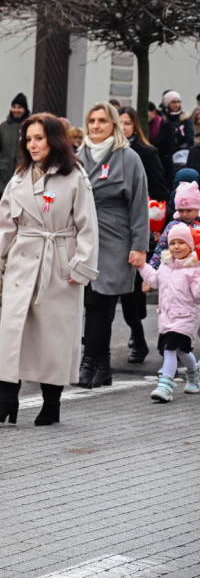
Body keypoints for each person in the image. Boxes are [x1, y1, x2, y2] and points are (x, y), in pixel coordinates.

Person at [0, 113, 98, 426]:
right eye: (28, 139)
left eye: (39, 138)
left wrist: (81, 266)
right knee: (12, 334)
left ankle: (51, 404)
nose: (32, 145)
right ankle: (8, 402)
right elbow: (5, 227)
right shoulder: (19, 177)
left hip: (59, 264)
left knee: (54, 337)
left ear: (53, 140)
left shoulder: (74, 176)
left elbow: (87, 226)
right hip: (22, 261)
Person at [75, 103, 148, 389]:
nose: (95, 126)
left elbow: (139, 204)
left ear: (114, 124)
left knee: (99, 301)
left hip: (116, 239)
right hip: (83, 239)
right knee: (93, 303)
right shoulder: (78, 157)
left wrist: (140, 245)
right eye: (91, 120)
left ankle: (90, 361)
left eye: (102, 121)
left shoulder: (128, 158)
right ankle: (102, 365)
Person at [121, 105, 169, 363]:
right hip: (114, 232)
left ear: (135, 126)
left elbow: (161, 191)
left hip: (141, 229)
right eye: (119, 123)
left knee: (134, 292)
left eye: (127, 123)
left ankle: (140, 338)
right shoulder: (108, 153)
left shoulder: (147, 153)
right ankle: (137, 338)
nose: (122, 128)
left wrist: (151, 221)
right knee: (122, 293)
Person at [136, 223, 200, 402]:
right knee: (181, 352)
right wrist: (142, 266)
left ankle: (165, 385)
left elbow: (197, 294)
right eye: (173, 243)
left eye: (181, 243)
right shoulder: (165, 265)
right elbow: (154, 280)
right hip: (167, 317)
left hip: (186, 318)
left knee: (170, 349)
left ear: (191, 245)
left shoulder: (194, 268)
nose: (176, 247)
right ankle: (194, 374)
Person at [0, 93, 30, 199]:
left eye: (20, 107)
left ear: (25, 109)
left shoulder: (30, 128)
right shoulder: (3, 127)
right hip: (3, 176)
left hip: (23, 174)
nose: (16, 110)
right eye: (14, 107)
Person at [156, 90, 193, 188]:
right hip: (164, 156)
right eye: (173, 102)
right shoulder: (160, 118)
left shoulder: (185, 118)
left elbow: (189, 138)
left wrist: (180, 149)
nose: (176, 105)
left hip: (181, 156)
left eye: (178, 102)